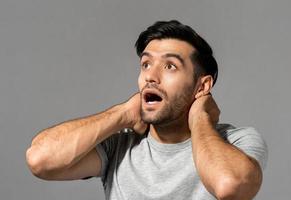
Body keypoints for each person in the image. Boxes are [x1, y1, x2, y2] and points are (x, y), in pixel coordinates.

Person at [26, 20, 268, 200]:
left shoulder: (237, 141)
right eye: (146, 64)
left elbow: (231, 186)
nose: (151, 77)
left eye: (170, 66)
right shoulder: (118, 148)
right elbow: (40, 159)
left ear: (202, 86)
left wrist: (200, 118)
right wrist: (123, 113)